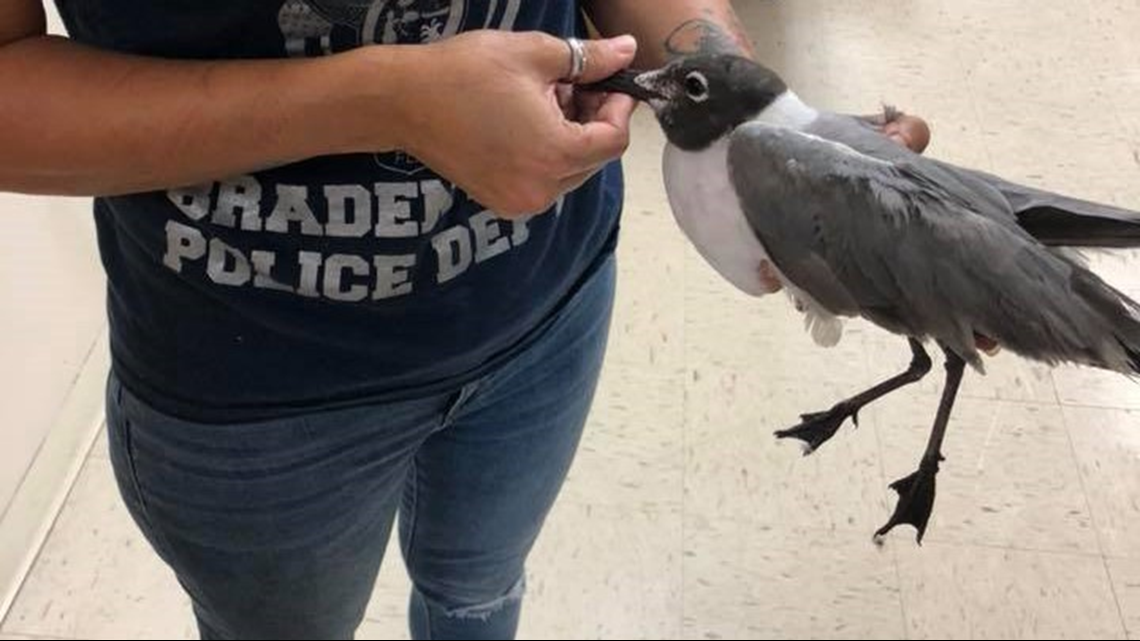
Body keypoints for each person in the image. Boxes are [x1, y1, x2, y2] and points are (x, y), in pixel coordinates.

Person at [0, 1, 932, 638]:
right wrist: (385, 100)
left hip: (543, 311)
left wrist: (749, 109)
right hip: (249, 395)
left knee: (479, 591)